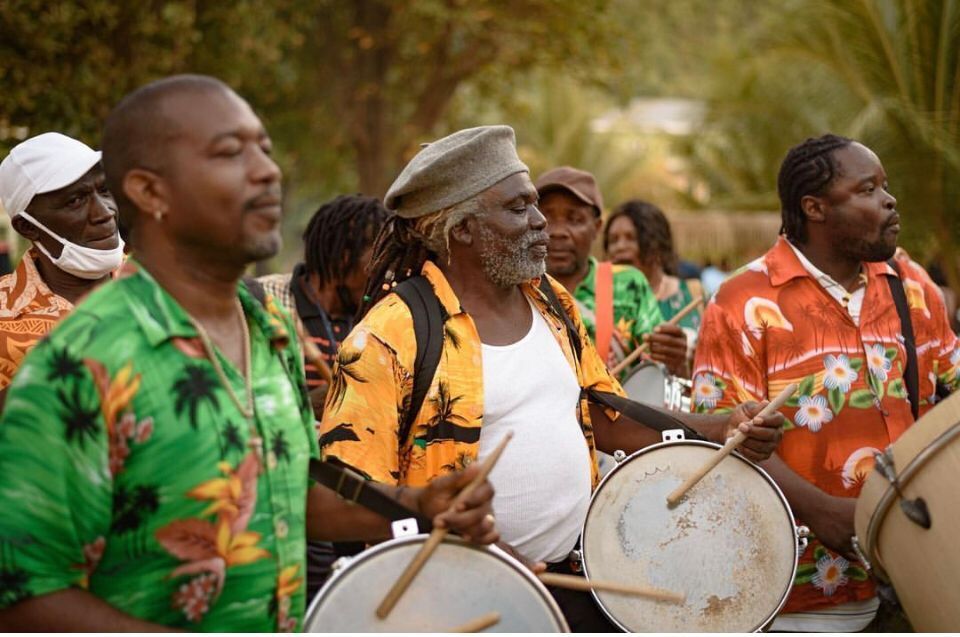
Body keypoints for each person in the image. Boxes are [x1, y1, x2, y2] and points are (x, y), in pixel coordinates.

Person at [0, 75, 497, 632]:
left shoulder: (266, 327)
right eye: (229, 153)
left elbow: (289, 489)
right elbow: (25, 596)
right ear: (149, 191)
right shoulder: (76, 365)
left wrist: (415, 506)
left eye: (263, 147)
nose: (267, 170)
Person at [319, 125, 786, 631]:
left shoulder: (550, 302)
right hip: (456, 603)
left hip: (579, 582)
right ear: (462, 229)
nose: (543, 223)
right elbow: (354, 495)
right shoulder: (389, 335)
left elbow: (604, 413)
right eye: (519, 208)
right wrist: (483, 553)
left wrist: (719, 428)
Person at [693, 133, 959, 632]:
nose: (888, 199)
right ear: (814, 208)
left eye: (885, 185)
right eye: (867, 189)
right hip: (803, 593)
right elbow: (723, 441)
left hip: (919, 568)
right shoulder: (740, 302)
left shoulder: (912, 285)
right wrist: (827, 513)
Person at [257, 194, 387, 599]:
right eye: (376, 254)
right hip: (291, 496)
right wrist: (328, 397)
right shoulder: (266, 300)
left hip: (349, 500)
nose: (383, 269)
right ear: (345, 250)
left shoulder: (372, 318)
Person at [535, 166, 688, 378]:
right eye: (547, 219)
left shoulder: (627, 285)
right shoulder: (517, 290)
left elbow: (660, 375)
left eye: (575, 219)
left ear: (597, 228)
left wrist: (675, 361)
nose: (559, 232)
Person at [0, 132, 124, 393]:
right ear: (27, 227)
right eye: (75, 201)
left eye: (104, 190)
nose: (105, 213)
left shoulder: (162, 283)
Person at [604, 199, 705, 364]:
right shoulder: (602, 302)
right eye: (613, 240)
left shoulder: (694, 293)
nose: (620, 247)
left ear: (656, 243)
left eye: (631, 238)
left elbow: (716, 370)